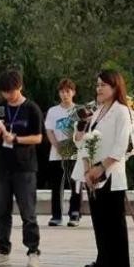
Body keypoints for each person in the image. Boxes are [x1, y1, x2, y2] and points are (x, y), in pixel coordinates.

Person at [75, 69, 134, 267]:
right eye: (97, 84)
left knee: (114, 225)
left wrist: (101, 168)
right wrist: (87, 169)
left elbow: (120, 145)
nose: (98, 88)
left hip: (110, 174)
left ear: (115, 87)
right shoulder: (98, 110)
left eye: (103, 85)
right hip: (93, 175)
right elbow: (85, 142)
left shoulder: (122, 111)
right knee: (100, 224)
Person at [0, 70, 44, 267]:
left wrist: (16, 139)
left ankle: (33, 251)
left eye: (11, 91)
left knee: (28, 213)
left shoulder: (31, 108)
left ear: (20, 87)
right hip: (1, 167)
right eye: (4, 92)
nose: (8, 95)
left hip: (24, 168)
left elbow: (38, 138)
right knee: (2, 212)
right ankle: (2, 251)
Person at [45, 78, 82, 227]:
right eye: (62, 91)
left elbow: (83, 130)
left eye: (68, 91)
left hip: (75, 152)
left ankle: (75, 213)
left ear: (73, 92)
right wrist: (58, 146)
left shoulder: (79, 110)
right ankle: (56, 215)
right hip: (57, 154)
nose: (65, 94)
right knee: (57, 186)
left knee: (75, 184)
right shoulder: (53, 111)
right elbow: (49, 130)